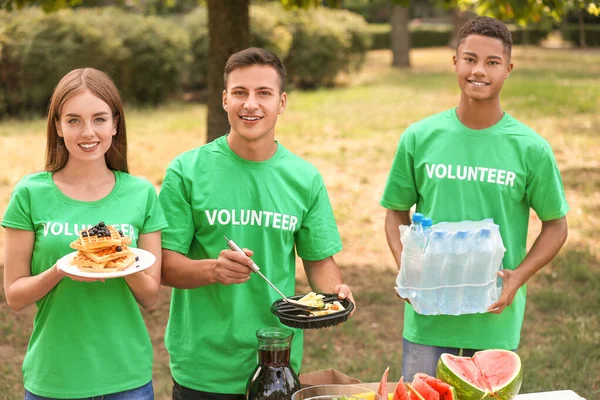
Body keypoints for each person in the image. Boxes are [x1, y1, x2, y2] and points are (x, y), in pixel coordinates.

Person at [159, 47, 355, 399]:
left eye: (263, 93)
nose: (251, 104)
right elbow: (164, 267)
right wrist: (212, 270)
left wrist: (335, 295)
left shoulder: (304, 178)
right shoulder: (186, 171)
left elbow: (320, 262)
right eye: (240, 93)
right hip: (203, 368)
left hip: (276, 364)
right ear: (224, 99)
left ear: (281, 102)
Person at [380, 16, 569, 379]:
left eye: (492, 62)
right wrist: (407, 264)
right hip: (429, 315)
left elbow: (556, 226)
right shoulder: (420, 137)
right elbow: (395, 212)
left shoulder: (530, 149)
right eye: (469, 59)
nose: (478, 70)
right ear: (455, 62)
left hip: (493, 315)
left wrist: (519, 276)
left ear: (508, 69)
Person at [2, 68, 167, 399]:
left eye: (99, 119)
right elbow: (15, 296)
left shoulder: (142, 193)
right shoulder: (31, 193)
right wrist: (59, 270)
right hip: (54, 379)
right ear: (58, 127)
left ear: (115, 124)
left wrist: (122, 258)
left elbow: (150, 297)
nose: (87, 132)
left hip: (127, 379)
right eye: (74, 120)